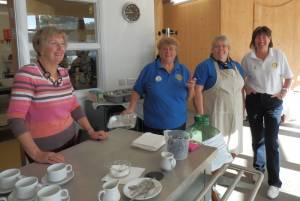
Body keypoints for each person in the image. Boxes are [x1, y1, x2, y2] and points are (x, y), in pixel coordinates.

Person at [7, 26, 109, 164]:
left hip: (71, 141)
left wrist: (90, 131)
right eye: (54, 43)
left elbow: (74, 107)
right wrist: (36, 154)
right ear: (40, 48)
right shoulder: (27, 74)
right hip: (44, 150)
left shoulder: (64, 73)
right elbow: (15, 119)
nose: (60, 48)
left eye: (62, 44)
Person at [241, 26, 293, 199]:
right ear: (253, 39)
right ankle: (258, 170)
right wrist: (246, 87)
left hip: (273, 102)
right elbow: (241, 77)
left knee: (271, 142)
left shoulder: (278, 55)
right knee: (257, 139)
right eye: (258, 37)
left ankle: (274, 182)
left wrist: (283, 93)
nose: (261, 40)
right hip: (254, 101)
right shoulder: (248, 58)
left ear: (270, 39)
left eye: (265, 37)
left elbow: (288, 77)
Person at [123, 37, 195, 135]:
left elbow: (188, 98)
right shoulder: (149, 69)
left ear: (176, 52)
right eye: (164, 49)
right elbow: (137, 90)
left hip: (178, 123)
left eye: (171, 49)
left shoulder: (184, 70)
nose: (168, 52)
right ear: (159, 51)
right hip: (154, 124)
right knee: (153, 149)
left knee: (174, 150)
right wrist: (131, 108)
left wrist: (191, 88)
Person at [193, 35, 245, 154]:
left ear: (228, 49)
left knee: (233, 145)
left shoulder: (237, 66)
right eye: (217, 47)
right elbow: (197, 91)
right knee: (215, 148)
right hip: (216, 115)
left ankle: (227, 165)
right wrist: (200, 117)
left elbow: (241, 90)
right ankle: (215, 172)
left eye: (224, 46)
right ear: (212, 50)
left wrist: (243, 111)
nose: (221, 49)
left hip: (235, 114)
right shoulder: (205, 66)